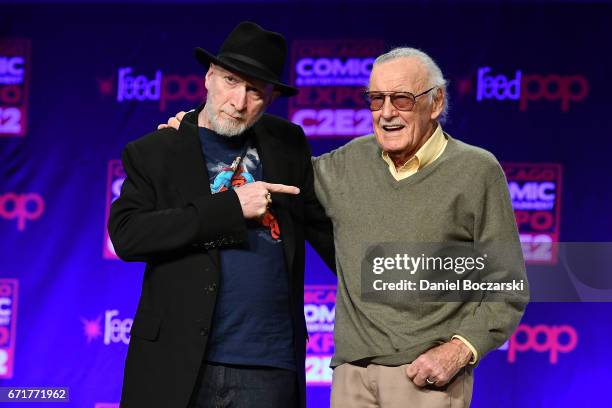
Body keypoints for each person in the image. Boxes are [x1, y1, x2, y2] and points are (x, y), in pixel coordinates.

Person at [164, 47, 529, 407]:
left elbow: (507, 284)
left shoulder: (476, 171)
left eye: (401, 99)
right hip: (350, 376)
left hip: (426, 376)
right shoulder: (348, 162)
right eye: (376, 99)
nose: (386, 113)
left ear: (435, 103)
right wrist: (202, 133)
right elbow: (275, 173)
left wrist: (459, 350)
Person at [108, 21, 334, 408]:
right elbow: (127, 235)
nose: (239, 101)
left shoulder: (288, 143)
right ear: (209, 77)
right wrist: (231, 207)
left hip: (269, 365)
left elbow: (330, 237)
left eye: (255, 91)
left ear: (270, 98)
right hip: (178, 364)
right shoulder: (157, 151)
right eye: (231, 80)